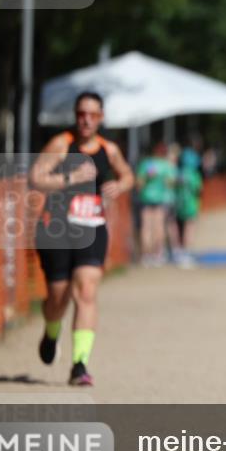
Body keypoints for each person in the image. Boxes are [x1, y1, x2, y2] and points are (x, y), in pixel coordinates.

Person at [29, 92, 133, 386]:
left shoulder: (108, 149)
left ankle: (79, 365)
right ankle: (51, 332)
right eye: (80, 114)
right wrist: (70, 179)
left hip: (92, 226)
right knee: (57, 299)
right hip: (57, 229)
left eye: (92, 115)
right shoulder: (62, 144)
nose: (85, 120)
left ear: (100, 118)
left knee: (86, 290)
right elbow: (36, 177)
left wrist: (119, 185)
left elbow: (127, 175)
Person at [135, 142, 177, 266]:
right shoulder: (166, 165)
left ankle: (146, 255)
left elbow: (139, 184)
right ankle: (157, 254)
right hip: (160, 198)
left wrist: (149, 181)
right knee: (159, 227)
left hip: (146, 198)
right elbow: (170, 183)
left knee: (146, 227)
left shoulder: (146, 164)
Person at [173, 148, 203, 267]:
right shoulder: (195, 175)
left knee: (177, 227)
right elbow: (198, 190)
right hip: (190, 205)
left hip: (178, 204)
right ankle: (186, 252)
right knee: (189, 228)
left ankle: (177, 251)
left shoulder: (178, 172)